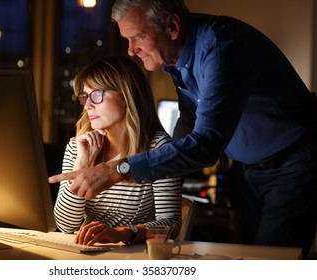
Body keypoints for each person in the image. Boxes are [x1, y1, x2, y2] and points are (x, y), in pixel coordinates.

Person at [49, 0, 317, 257]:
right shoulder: (177, 60)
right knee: (251, 258)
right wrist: (163, 169)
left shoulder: (221, 48)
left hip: (297, 161)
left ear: (173, 27)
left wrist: (120, 169)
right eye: (127, 39)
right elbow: (189, 124)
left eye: (138, 37)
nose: (131, 50)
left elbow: (206, 144)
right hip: (252, 169)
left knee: (274, 265)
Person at [54, 55, 181, 246]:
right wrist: (81, 164)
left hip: (131, 257)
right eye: (85, 96)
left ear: (127, 95)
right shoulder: (78, 146)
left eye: (97, 94)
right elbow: (66, 225)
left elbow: (170, 226)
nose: (88, 105)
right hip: (86, 253)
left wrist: (122, 233)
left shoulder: (158, 149)